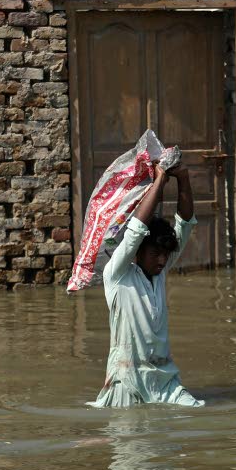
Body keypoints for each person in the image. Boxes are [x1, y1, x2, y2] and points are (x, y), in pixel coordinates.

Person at [87, 159, 203, 408]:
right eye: (155, 254)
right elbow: (135, 232)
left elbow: (185, 224)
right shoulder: (117, 274)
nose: (162, 260)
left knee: (196, 411)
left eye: (165, 254)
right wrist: (160, 180)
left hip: (165, 379)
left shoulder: (159, 272)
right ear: (138, 252)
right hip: (126, 379)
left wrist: (183, 178)